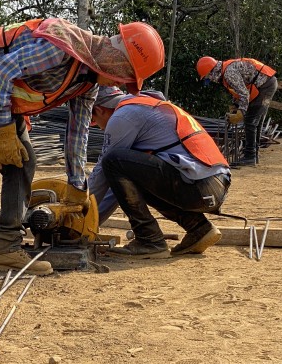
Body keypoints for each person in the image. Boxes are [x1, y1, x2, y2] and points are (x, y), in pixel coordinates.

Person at [0, 18, 165, 284]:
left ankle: (6, 247)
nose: (119, 83)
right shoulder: (62, 46)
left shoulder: (88, 84)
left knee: (23, 161)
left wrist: (77, 184)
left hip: (3, 95)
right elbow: (4, 70)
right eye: (124, 76)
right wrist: (2, 131)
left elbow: (77, 133)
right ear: (114, 59)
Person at [87, 86, 230, 258]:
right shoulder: (145, 105)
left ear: (99, 109)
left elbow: (104, 170)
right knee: (127, 169)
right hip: (212, 184)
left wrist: (78, 212)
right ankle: (198, 228)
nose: (99, 128)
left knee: (112, 159)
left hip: (199, 186)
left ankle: (149, 240)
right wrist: (89, 223)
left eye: (93, 121)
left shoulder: (122, 116)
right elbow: (117, 187)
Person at [196, 55, 278, 166]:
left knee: (250, 121)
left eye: (208, 77)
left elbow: (244, 94)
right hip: (266, 83)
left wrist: (241, 113)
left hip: (265, 85)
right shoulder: (226, 71)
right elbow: (238, 91)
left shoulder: (228, 73)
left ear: (212, 71)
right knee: (256, 122)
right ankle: (254, 155)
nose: (210, 80)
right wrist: (235, 106)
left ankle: (250, 156)